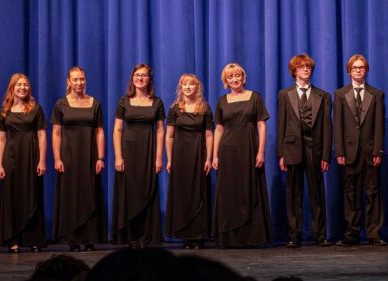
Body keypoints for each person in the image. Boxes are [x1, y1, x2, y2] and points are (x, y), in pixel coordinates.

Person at [212, 63, 271, 246]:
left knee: (249, 188)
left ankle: (252, 236)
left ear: (243, 77)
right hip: (227, 150)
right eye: (231, 77)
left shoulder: (255, 97)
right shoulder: (222, 101)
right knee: (229, 192)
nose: (235, 79)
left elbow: (261, 125)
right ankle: (230, 237)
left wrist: (261, 151)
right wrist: (215, 155)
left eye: (238, 75)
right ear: (226, 80)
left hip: (249, 149)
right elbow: (219, 129)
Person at [276, 54, 332, 248]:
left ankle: (320, 235)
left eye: (308, 67)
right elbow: (281, 124)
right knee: (294, 194)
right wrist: (281, 154)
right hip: (292, 149)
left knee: (317, 194)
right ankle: (294, 235)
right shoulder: (285, 94)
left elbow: (327, 127)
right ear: (295, 71)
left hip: (314, 149)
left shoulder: (323, 96)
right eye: (301, 67)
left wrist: (326, 155)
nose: (305, 70)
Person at [333, 54, 385, 246]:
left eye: (361, 67)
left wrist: (378, 151)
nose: (358, 70)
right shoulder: (339, 95)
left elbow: (379, 125)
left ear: (366, 70)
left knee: (373, 193)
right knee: (350, 194)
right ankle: (351, 233)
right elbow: (337, 125)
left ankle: (374, 233)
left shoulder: (377, 94)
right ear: (349, 71)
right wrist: (339, 151)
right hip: (348, 152)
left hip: (370, 152)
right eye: (355, 67)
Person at [52, 66, 106, 252]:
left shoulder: (94, 103)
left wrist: (101, 157)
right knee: (71, 195)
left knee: (89, 193)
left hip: (89, 156)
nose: (79, 83)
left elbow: (100, 132)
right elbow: (56, 133)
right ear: (68, 82)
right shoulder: (61, 104)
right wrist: (57, 158)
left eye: (82, 79)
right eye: (75, 79)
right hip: (69, 156)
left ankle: (90, 239)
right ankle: (73, 239)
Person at [111, 63, 165, 248]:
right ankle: (130, 236)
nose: (140, 78)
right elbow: (117, 130)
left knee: (147, 189)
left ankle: (146, 236)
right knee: (128, 192)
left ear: (149, 79)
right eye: (137, 75)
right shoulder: (124, 101)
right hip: (128, 151)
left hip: (148, 150)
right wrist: (118, 156)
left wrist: (159, 157)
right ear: (132, 79)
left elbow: (160, 132)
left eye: (144, 75)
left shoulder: (157, 102)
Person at [0, 72, 47, 252]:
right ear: (12, 88)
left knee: (32, 195)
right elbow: (1, 139)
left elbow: (41, 135)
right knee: (12, 197)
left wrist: (42, 160)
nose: (23, 88)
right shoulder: (4, 111)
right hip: (10, 157)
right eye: (19, 85)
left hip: (31, 156)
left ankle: (34, 239)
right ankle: (12, 239)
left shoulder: (36, 108)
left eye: (25, 85)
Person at [164, 73, 213, 249]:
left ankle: (198, 236)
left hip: (199, 153)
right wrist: (169, 159)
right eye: (184, 84)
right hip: (180, 154)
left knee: (198, 192)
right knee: (182, 194)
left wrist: (209, 158)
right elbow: (169, 136)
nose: (187, 87)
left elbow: (209, 134)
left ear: (197, 87)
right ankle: (186, 237)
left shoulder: (205, 108)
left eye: (191, 84)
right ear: (180, 88)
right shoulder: (175, 109)